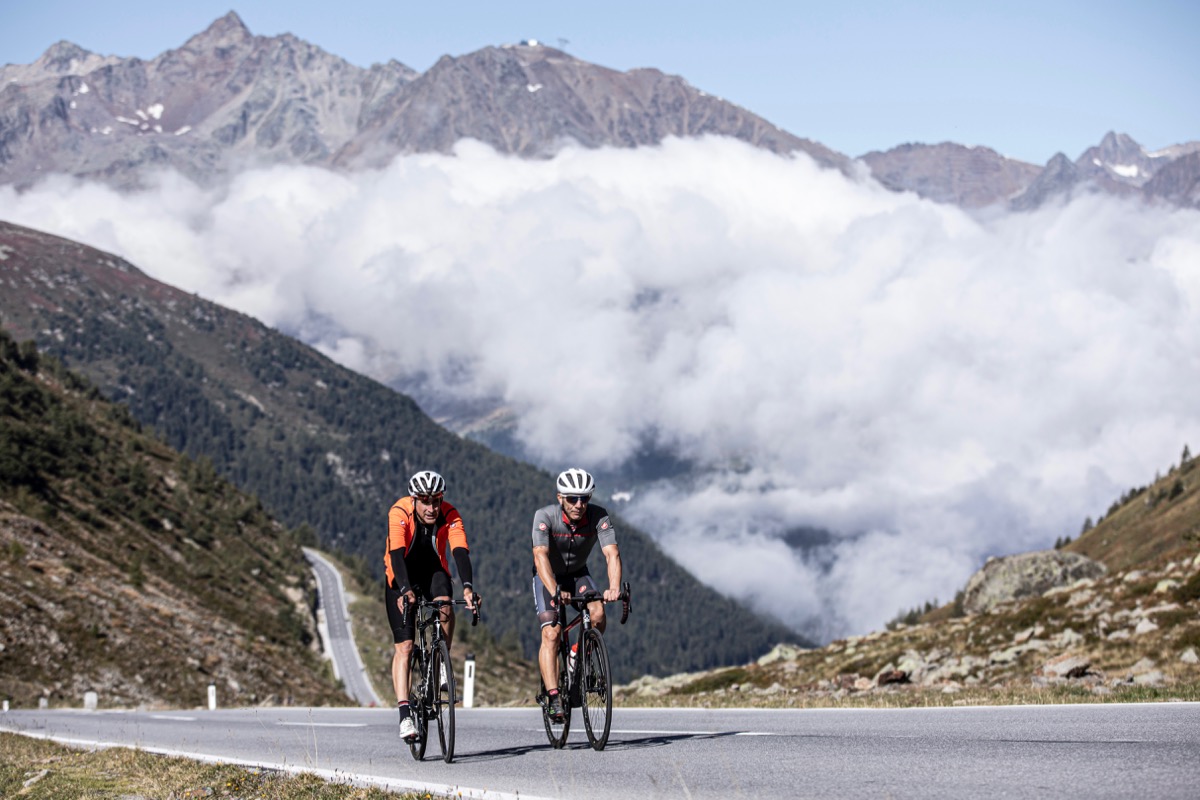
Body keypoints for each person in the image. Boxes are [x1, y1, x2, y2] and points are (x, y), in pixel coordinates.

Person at [385, 469, 477, 741]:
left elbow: (460, 551)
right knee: (404, 646)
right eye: (425, 501)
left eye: (436, 500)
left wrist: (469, 587)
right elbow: (396, 555)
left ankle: (438, 662)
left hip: (433, 571)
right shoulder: (399, 512)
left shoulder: (450, 514)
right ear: (414, 499)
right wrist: (404, 589)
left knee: (445, 603)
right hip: (401, 575)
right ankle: (404, 716)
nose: (432, 507)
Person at [531, 467, 622, 723]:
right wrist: (555, 591)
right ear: (560, 497)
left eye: (585, 498)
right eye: (572, 498)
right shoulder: (545, 516)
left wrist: (614, 587)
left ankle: (576, 653)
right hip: (547, 576)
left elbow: (611, 553)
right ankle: (553, 696)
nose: (579, 504)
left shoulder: (598, 516)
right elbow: (540, 556)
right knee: (551, 632)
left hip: (578, 573)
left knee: (598, 613)